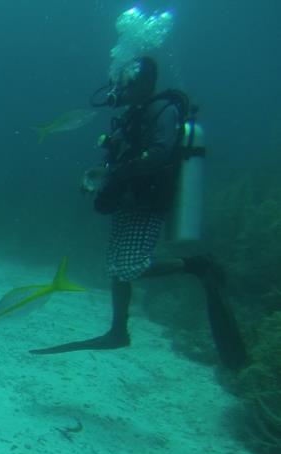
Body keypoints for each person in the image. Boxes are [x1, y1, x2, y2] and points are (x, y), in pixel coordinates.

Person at [31, 56, 246, 370]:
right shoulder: (135, 115)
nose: (118, 89)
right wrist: (98, 178)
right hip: (128, 198)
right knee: (117, 267)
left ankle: (197, 266)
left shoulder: (163, 110)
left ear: (143, 83)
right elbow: (117, 155)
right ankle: (118, 331)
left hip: (148, 199)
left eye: (125, 83)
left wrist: (119, 172)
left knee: (131, 266)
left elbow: (159, 153)